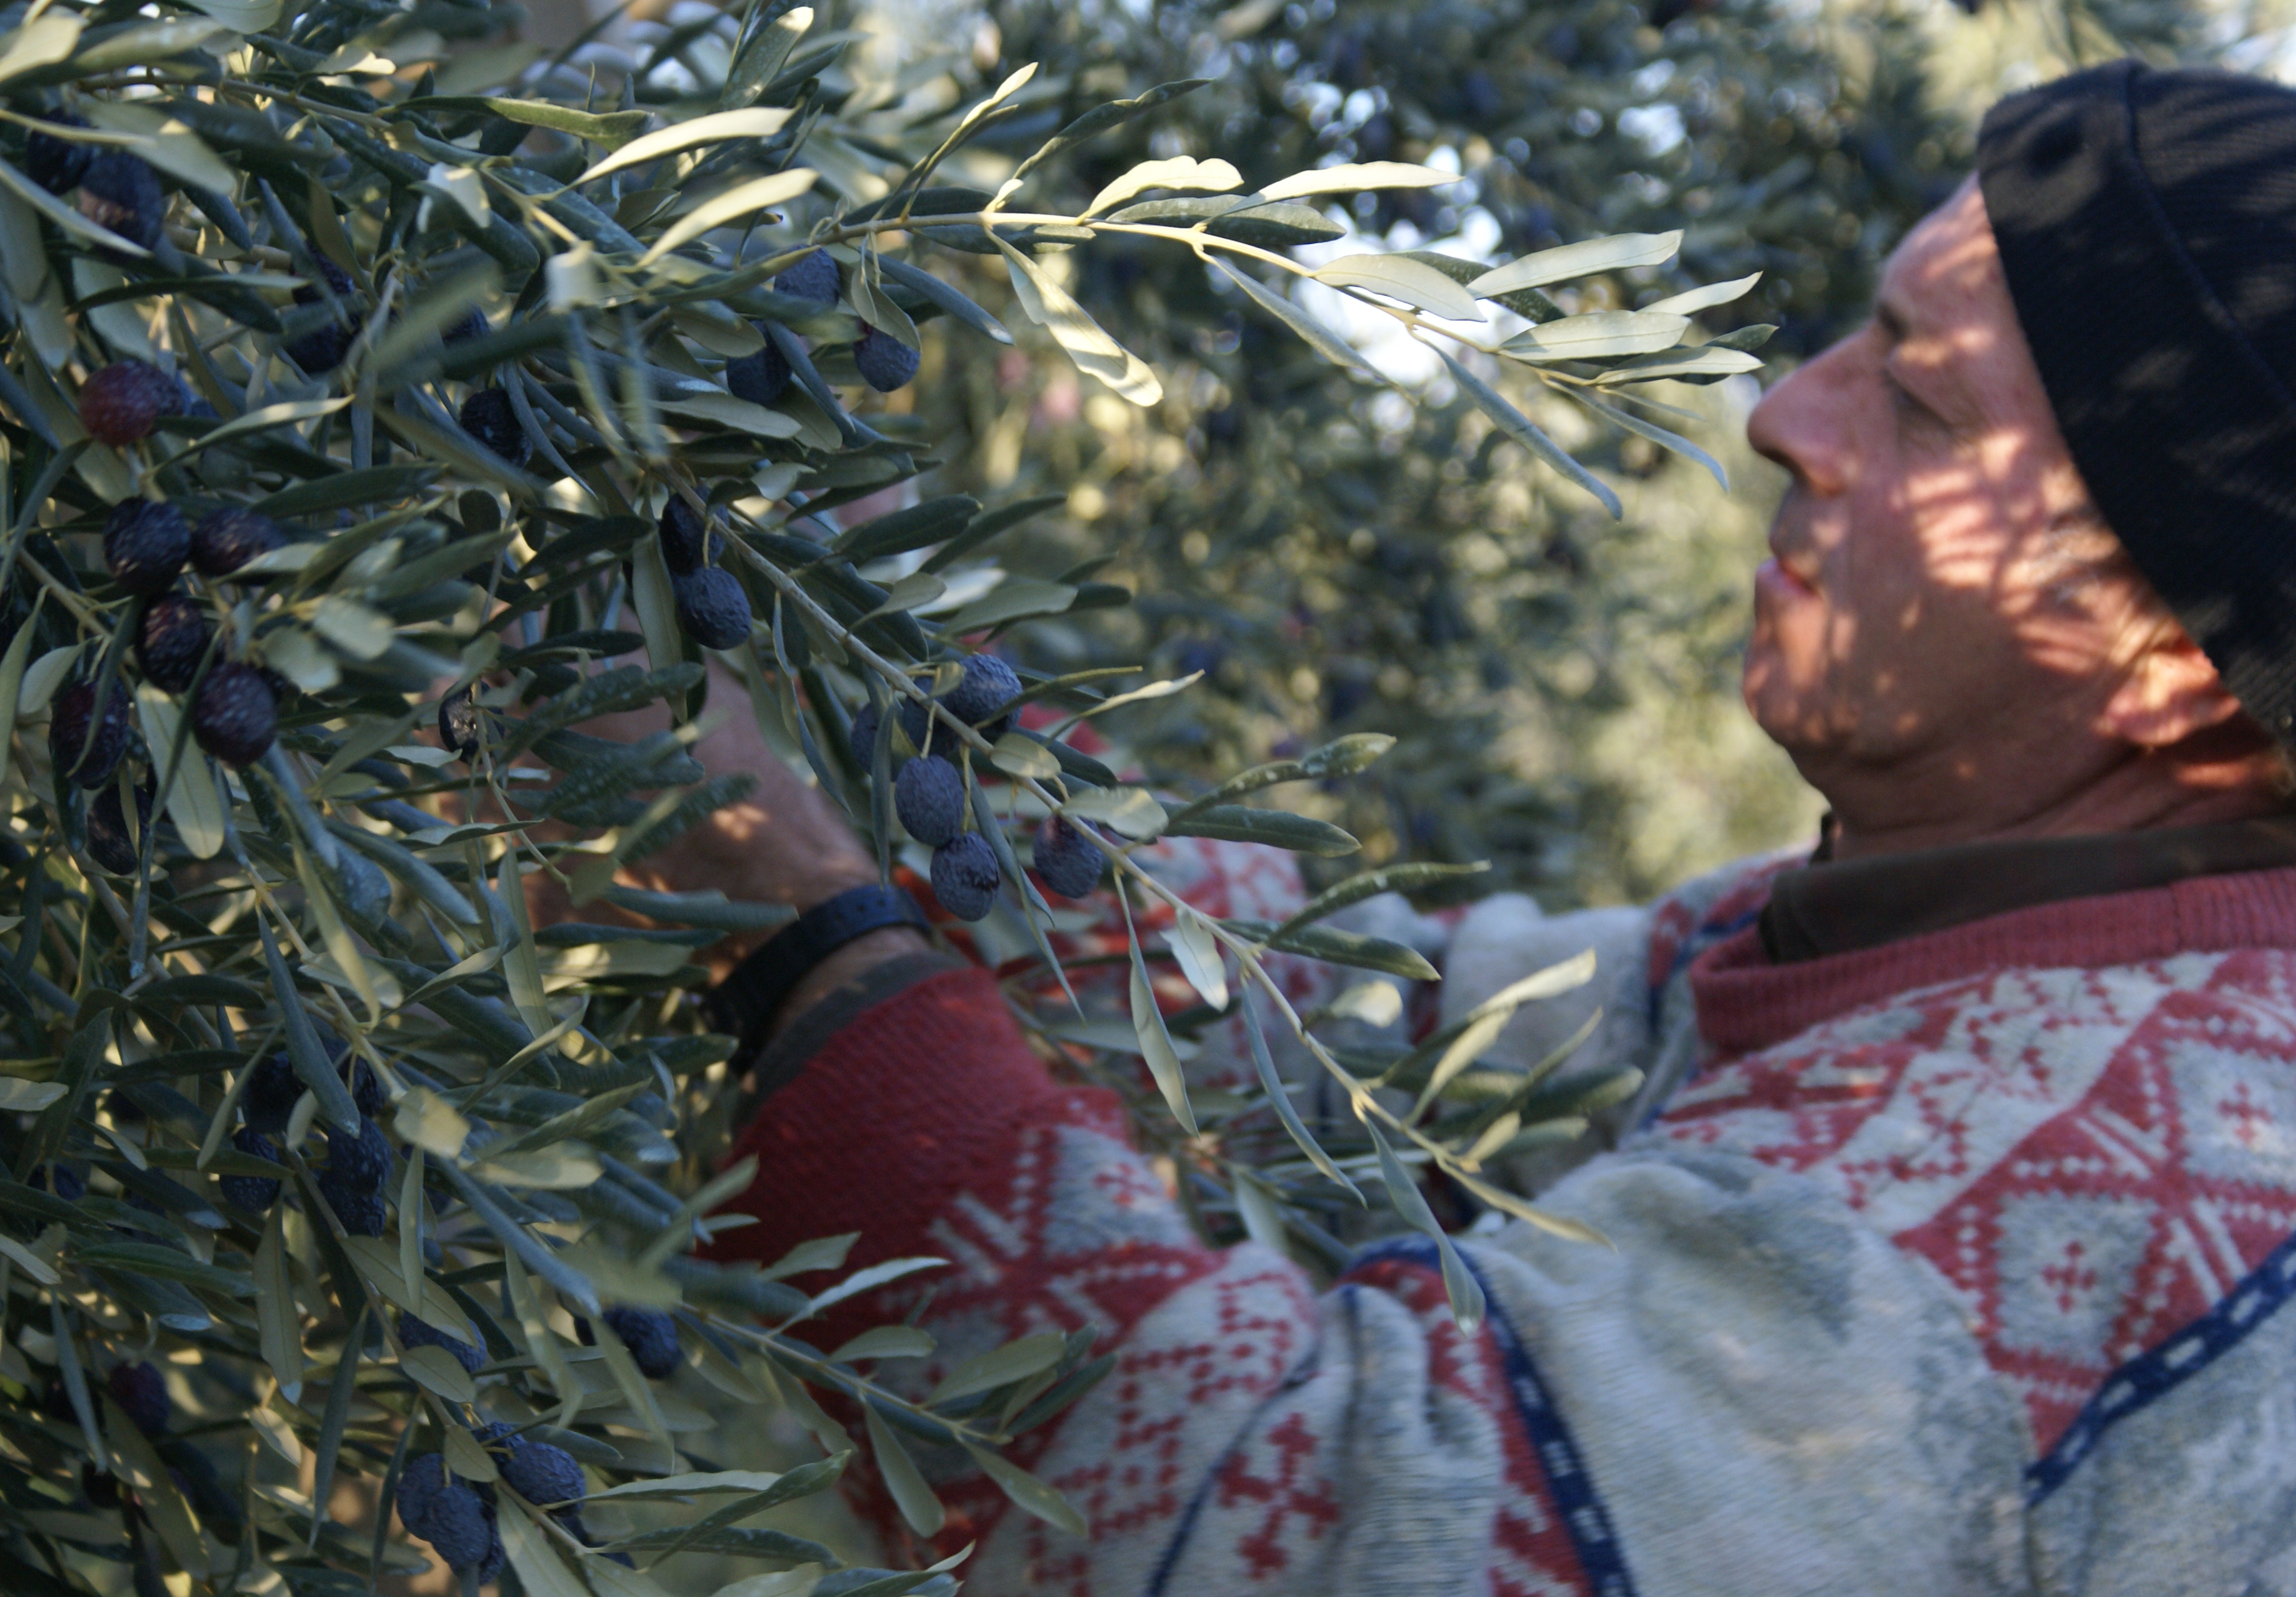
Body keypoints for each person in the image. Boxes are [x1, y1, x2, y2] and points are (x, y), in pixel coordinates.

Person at [639, 61, 2296, 1596]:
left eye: (1921, 406)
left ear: (2161, 660)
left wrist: (790, 925)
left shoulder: (1998, 1244)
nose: (1787, 414)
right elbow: (1378, 1040)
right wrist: (872, 625)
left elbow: (1284, 1519)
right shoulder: (1969, 945)